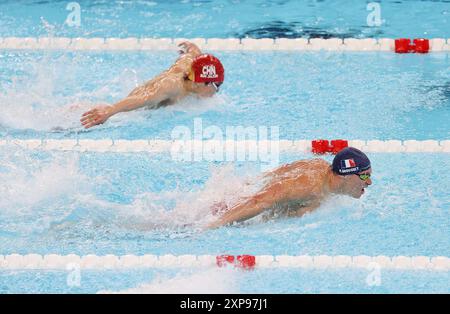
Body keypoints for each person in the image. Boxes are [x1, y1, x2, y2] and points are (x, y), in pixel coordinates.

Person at [207, 147, 372, 229]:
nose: (369, 182)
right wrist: (212, 225)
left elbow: (279, 171)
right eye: (365, 176)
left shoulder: (321, 166)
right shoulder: (308, 185)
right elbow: (259, 201)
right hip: (233, 209)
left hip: (240, 196)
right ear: (346, 174)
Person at [80, 41, 224, 129]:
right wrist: (110, 111)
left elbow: (194, 53)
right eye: (216, 85)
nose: (217, 90)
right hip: (135, 111)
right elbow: (144, 99)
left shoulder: (190, 63)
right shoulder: (172, 86)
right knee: (78, 120)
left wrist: (191, 47)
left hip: (146, 99)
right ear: (201, 82)